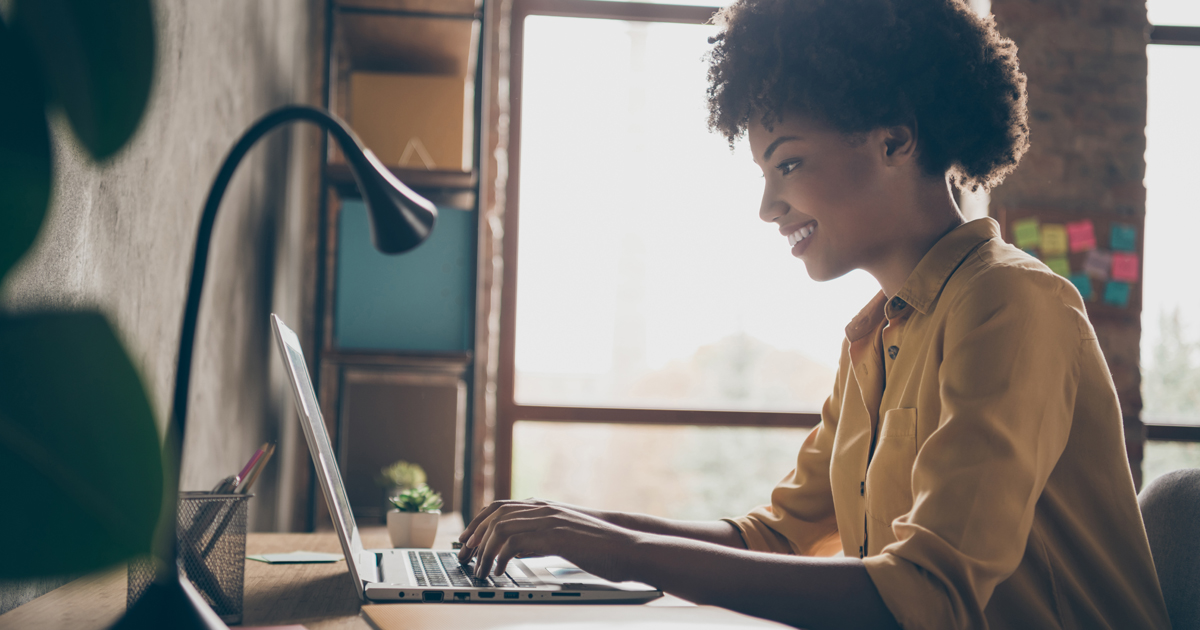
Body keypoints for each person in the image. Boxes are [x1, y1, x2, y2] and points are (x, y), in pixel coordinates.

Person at [458, 0, 1171, 628]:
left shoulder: (1011, 305)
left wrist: (624, 553)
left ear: (896, 140)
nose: (768, 208)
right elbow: (777, 536)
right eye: (765, 175)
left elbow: (927, 596)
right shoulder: (878, 333)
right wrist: (579, 528)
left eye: (788, 165)